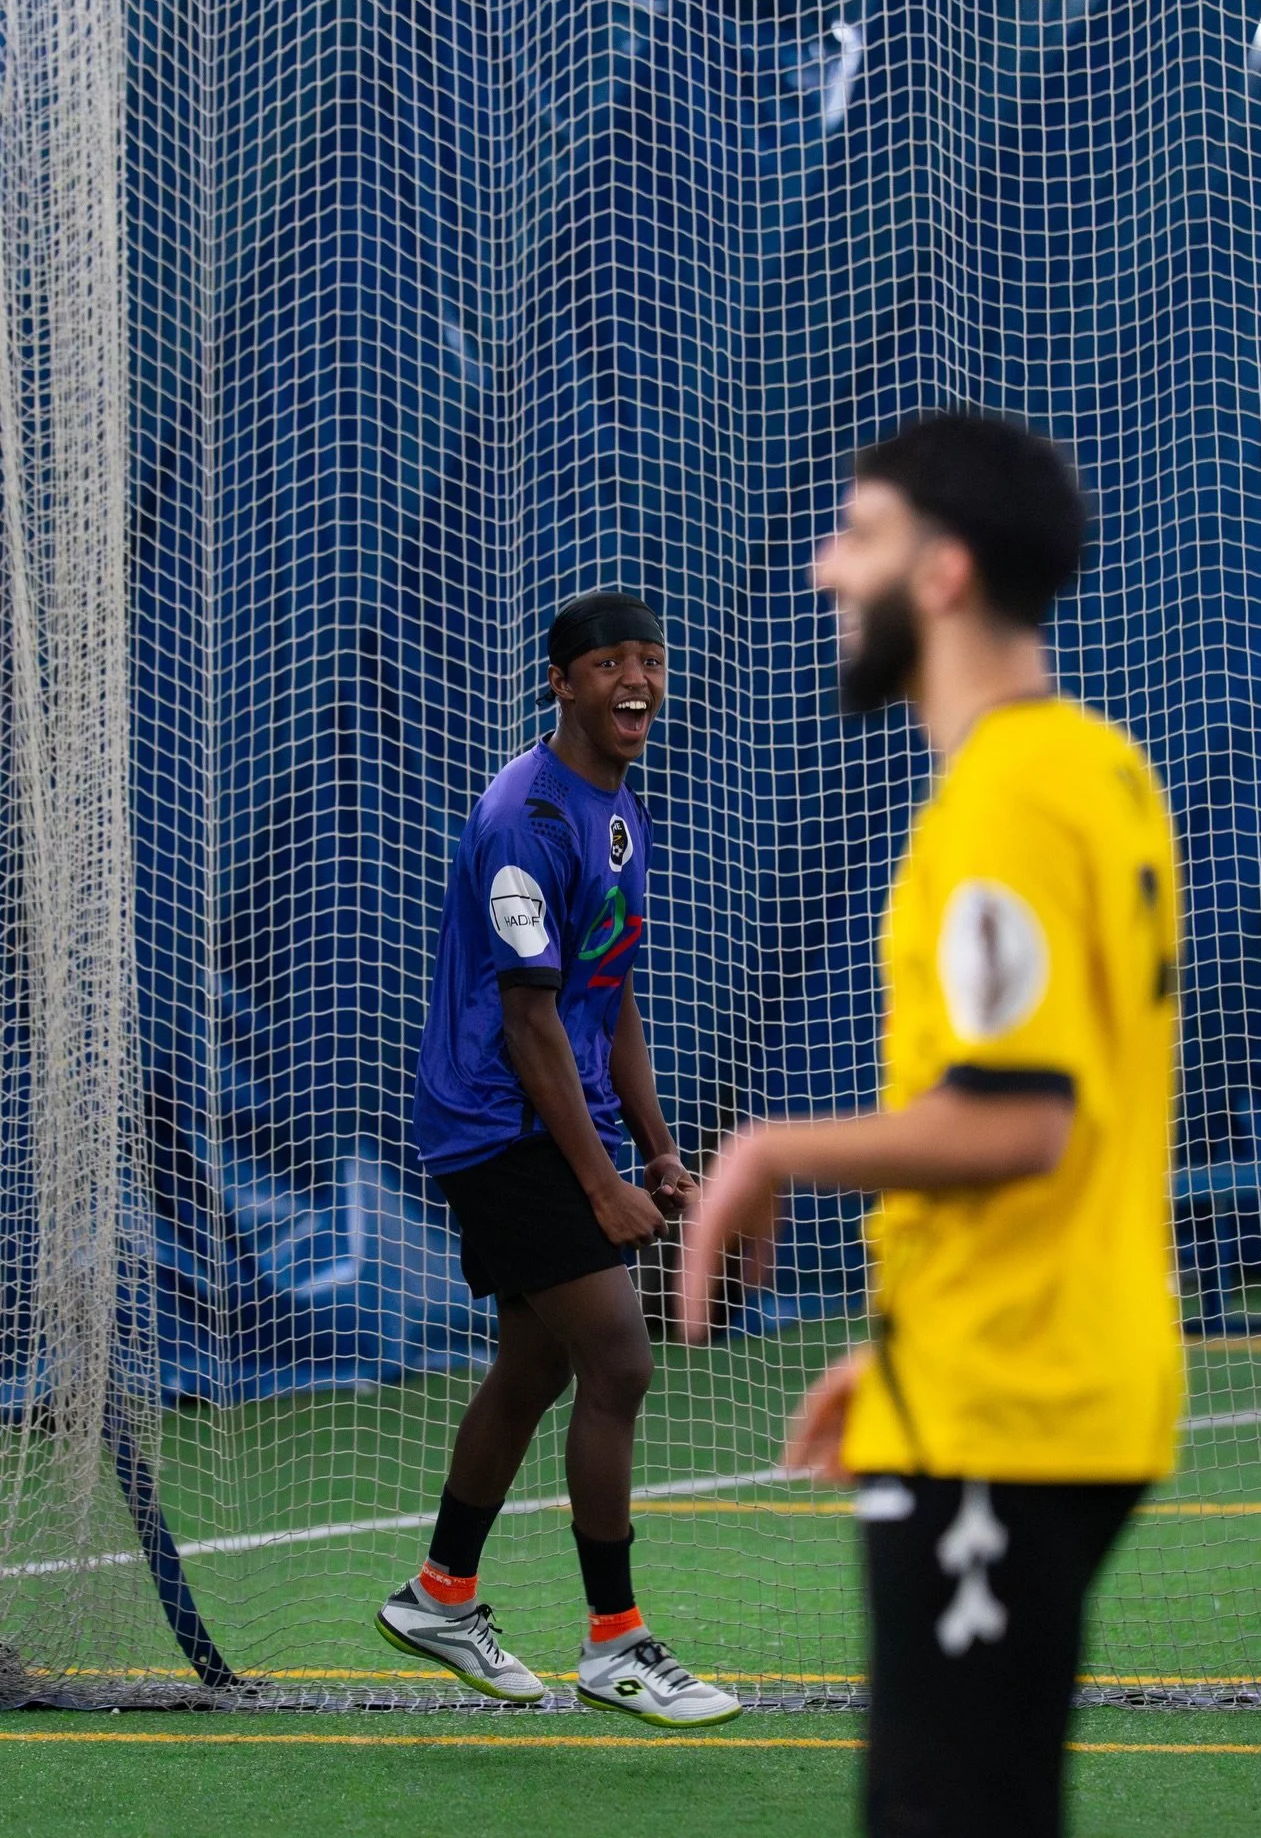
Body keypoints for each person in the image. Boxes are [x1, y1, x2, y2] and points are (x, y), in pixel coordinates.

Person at [677, 415, 1183, 1833]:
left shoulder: (1005, 802)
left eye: (860, 534)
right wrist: (907, 1346)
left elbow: (1020, 1125)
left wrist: (771, 1150)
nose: (828, 570)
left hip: (1009, 1413)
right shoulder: (1100, 768)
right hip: (1024, 1376)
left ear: (943, 572)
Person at [378, 590, 740, 1728]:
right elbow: (532, 1024)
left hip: (558, 1118)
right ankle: (616, 1644)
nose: (636, 681)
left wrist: (661, 1148)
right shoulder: (523, 819)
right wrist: (601, 1183)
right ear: (562, 684)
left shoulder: (619, 813)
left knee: (538, 1368)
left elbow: (608, 989)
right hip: (498, 1121)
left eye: (651, 660)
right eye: (609, 665)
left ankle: (441, 1595)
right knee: (620, 1363)